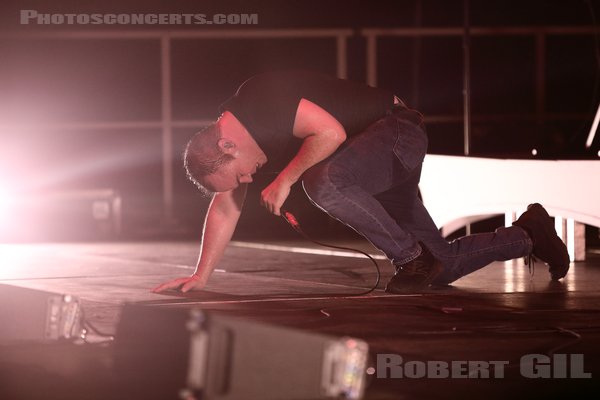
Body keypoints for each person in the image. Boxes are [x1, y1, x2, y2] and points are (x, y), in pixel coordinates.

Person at [152, 70, 570, 294]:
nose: (247, 180)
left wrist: (284, 179)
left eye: (239, 173)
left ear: (226, 144)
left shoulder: (259, 98)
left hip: (396, 133)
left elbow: (330, 133)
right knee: (442, 266)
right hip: (368, 165)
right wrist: (201, 275)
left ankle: (409, 258)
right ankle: (530, 233)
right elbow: (226, 205)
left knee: (323, 182)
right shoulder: (244, 149)